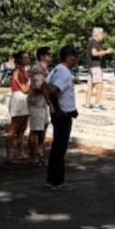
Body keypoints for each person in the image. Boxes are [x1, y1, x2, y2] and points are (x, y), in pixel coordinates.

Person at [44, 45, 79, 190]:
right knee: (60, 148)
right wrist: (58, 109)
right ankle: (57, 182)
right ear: (70, 58)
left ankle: (51, 179)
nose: (76, 62)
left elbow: (45, 86)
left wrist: (51, 105)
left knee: (56, 147)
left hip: (61, 112)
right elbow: (53, 91)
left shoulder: (56, 69)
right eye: (75, 59)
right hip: (62, 115)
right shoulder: (64, 73)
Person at [26, 47, 53, 166]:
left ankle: (39, 153)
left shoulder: (45, 69)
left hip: (42, 103)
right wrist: (50, 95)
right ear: (42, 56)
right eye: (49, 54)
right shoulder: (38, 68)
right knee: (35, 130)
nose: (51, 56)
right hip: (36, 102)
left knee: (42, 129)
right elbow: (39, 86)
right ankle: (33, 158)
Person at [5, 50, 31, 162]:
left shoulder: (24, 70)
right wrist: (33, 86)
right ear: (19, 59)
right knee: (14, 128)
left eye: (28, 57)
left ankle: (20, 152)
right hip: (19, 100)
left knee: (22, 128)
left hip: (24, 100)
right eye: (25, 57)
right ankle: (9, 154)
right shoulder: (17, 71)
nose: (27, 59)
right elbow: (24, 89)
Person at [85, 27, 115, 111]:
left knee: (91, 86)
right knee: (99, 85)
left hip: (91, 66)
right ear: (97, 34)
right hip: (95, 66)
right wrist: (106, 51)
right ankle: (97, 105)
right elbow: (94, 53)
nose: (103, 36)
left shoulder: (91, 41)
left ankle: (87, 104)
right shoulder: (95, 42)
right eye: (102, 34)